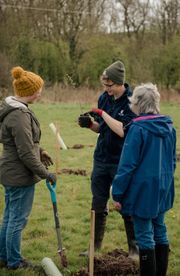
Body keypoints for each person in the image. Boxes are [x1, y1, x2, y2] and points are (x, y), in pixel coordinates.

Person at [112, 83, 176, 276]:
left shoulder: (138, 129)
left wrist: (117, 192)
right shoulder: (170, 127)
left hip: (142, 190)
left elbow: (127, 165)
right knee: (160, 228)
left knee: (145, 236)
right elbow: (172, 161)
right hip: (163, 187)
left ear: (137, 103)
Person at [78, 60, 138, 257]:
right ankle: (94, 249)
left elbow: (122, 131)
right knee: (98, 203)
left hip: (122, 160)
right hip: (101, 158)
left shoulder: (132, 101)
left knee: (126, 204)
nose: (106, 89)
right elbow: (102, 129)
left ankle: (134, 249)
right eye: (104, 85)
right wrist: (89, 124)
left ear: (120, 82)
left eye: (109, 86)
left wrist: (102, 114)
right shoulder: (104, 98)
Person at [0, 66, 56, 270]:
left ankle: (4, 257)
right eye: (39, 89)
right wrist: (46, 173)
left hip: (10, 172)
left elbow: (24, 143)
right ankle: (14, 262)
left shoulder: (14, 109)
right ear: (29, 91)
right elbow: (24, 153)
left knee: (9, 217)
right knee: (17, 220)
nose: (40, 92)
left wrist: (40, 150)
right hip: (19, 175)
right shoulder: (19, 115)